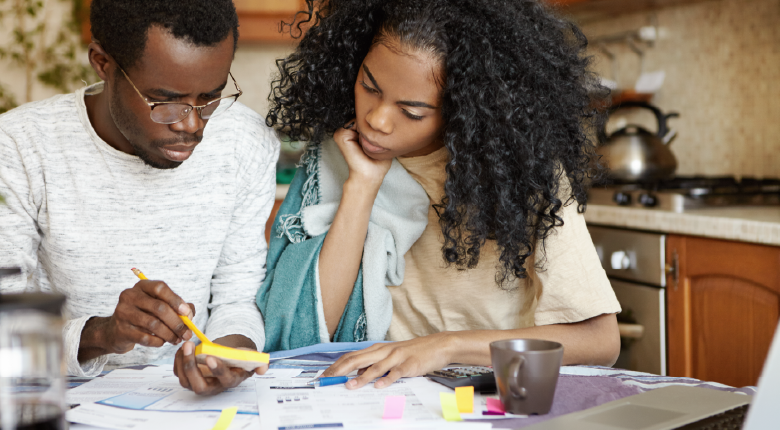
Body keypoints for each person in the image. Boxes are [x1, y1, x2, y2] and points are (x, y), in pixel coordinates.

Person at [258, 0, 622, 389]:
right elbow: (305, 331)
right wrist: (362, 184)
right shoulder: (336, 153)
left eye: (412, 112)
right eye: (369, 86)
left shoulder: (523, 172)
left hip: (494, 393)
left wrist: (444, 347)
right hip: (378, 394)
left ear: (464, 109)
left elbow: (600, 341)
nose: (377, 120)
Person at [0, 0, 279, 395]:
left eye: (211, 98)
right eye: (166, 101)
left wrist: (231, 356)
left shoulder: (245, 141)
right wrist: (102, 334)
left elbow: (237, 295)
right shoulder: (16, 148)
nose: (192, 125)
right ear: (102, 63)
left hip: (190, 410)